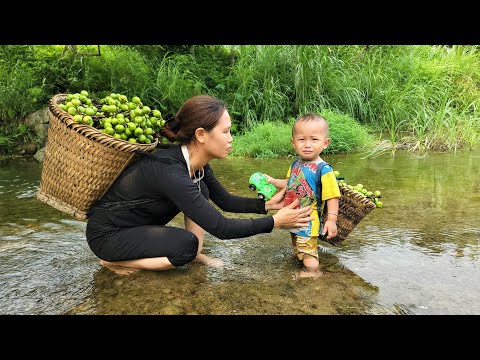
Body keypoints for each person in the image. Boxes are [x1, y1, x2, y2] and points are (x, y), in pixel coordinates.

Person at [85, 95, 313, 274]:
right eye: (226, 131)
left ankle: (196, 254)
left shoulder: (196, 165)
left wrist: (267, 206)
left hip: (135, 228)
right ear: (202, 135)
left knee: (201, 189)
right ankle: (116, 262)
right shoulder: (170, 171)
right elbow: (221, 228)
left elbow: (224, 201)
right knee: (185, 246)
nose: (231, 138)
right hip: (109, 236)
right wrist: (275, 222)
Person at [263, 113, 340, 279]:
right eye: (301, 139)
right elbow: (290, 183)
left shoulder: (324, 169)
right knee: (297, 245)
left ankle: (313, 272)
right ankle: (302, 262)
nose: (307, 145)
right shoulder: (295, 164)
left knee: (307, 250)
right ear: (293, 142)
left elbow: (332, 196)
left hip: (308, 218)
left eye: (314, 139)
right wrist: (274, 181)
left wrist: (331, 220)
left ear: (325, 143)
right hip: (292, 215)